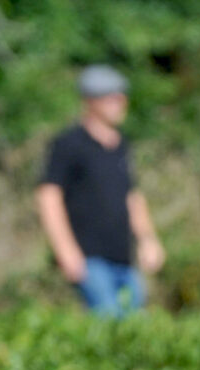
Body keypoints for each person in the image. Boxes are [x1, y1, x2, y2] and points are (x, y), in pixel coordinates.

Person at [36, 65, 165, 317]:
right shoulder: (68, 144)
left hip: (124, 257)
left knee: (137, 325)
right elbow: (48, 197)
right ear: (90, 101)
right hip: (89, 258)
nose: (120, 104)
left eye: (121, 97)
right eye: (111, 99)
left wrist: (148, 239)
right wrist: (65, 250)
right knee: (107, 323)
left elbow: (132, 197)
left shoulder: (121, 145)